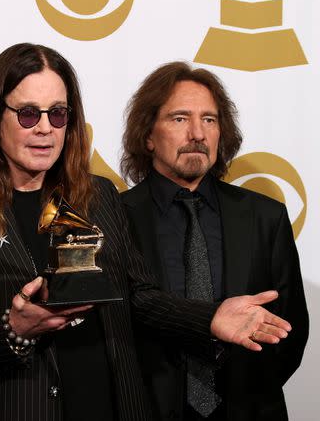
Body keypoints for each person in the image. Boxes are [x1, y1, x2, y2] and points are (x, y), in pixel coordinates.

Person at [0, 44, 292, 421]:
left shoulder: (100, 196)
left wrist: (208, 318)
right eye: (28, 114)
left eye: (58, 114)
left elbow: (140, 297)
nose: (45, 128)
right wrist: (14, 329)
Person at [120, 61, 309, 420]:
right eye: (179, 119)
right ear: (147, 135)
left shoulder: (265, 217)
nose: (197, 133)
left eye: (209, 120)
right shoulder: (114, 217)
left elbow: (289, 334)